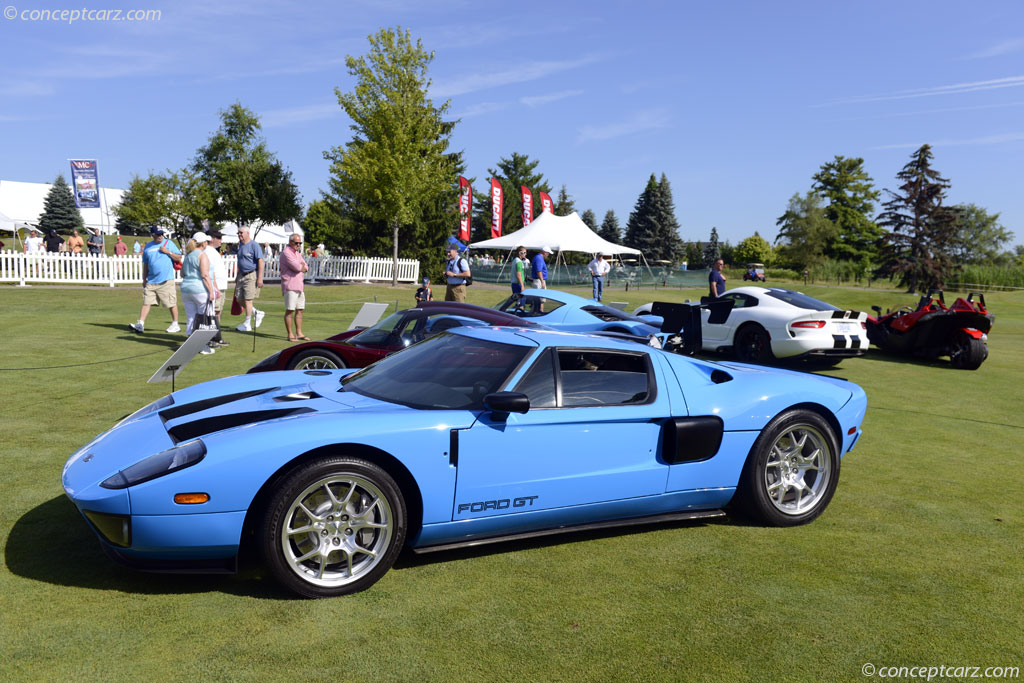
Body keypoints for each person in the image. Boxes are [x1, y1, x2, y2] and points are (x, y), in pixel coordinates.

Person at [129, 226, 182, 333]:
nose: (160, 236)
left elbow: (179, 258)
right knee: (146, 302)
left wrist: (168, 252)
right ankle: (140, 324)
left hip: (166, 280)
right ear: (152, 235)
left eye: (161, 234)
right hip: (151, 281)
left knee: (171, 303)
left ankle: (175, 324)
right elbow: (146, 264)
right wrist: (144, 279)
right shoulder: (148, 246)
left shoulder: (169, 243)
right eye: (158, 234)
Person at [179, 232, 219, 354]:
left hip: (186, 289)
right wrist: (211, 292)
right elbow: (205, 275)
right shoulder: (202, 255)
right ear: (203, 243)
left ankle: (190, 343)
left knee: (191, 317)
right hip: (200, 290)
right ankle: (201, 346)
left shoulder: (188, 255)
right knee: (204, 318)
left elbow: (182, 274)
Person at [234, 225, 265, 332]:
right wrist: (237, 276)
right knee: (239, 299)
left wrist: (260, 278)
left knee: (248, 299)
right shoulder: (241, 246)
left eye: (241, 233)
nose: (239, 235)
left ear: (247, 233)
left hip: (251, 275)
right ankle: (256, 312)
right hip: (241, 275)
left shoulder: (254, 245)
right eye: (238, 233)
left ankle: (247, 323)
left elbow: (260, 261)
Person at [280, 234, 310, 341]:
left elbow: (306, 266)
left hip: (299, 285)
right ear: (290, 242)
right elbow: (297, 267)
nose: (298, 245)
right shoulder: (286, 253)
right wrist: (301, 266)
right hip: (290, 285)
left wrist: (302, 266)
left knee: (300, 309)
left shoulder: (297, 254)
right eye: (296, 243)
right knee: (290, 310)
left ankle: (299, 333)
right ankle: (290, 334)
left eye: (300, 243)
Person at [204, 228, 229, 348]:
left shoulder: (213, 251)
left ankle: (217, 336)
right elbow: (208, 271)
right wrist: (215, 288)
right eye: (218, 237)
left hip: (220, 286)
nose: (221, 240)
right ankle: (211, 338)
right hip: (216, 287)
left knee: (218, 312)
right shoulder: (208, 251)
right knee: (213, 313)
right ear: (212, 239)